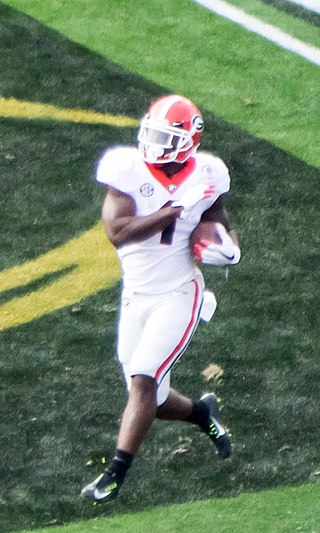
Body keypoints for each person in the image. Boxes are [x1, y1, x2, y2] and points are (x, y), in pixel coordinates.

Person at [81, 94, 241, 503]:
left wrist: (229, 248)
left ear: (189, 140)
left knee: (144, 379)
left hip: (179, 292)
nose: (155, 142)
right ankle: (202, 413)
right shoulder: (127, 167)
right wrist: (172, 211)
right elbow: (118, 232)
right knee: (152, 395)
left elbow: (218, 221)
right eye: (152, 131)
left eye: (167, 136)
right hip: (136, 294)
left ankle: (115, 474)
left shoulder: (208, 173)